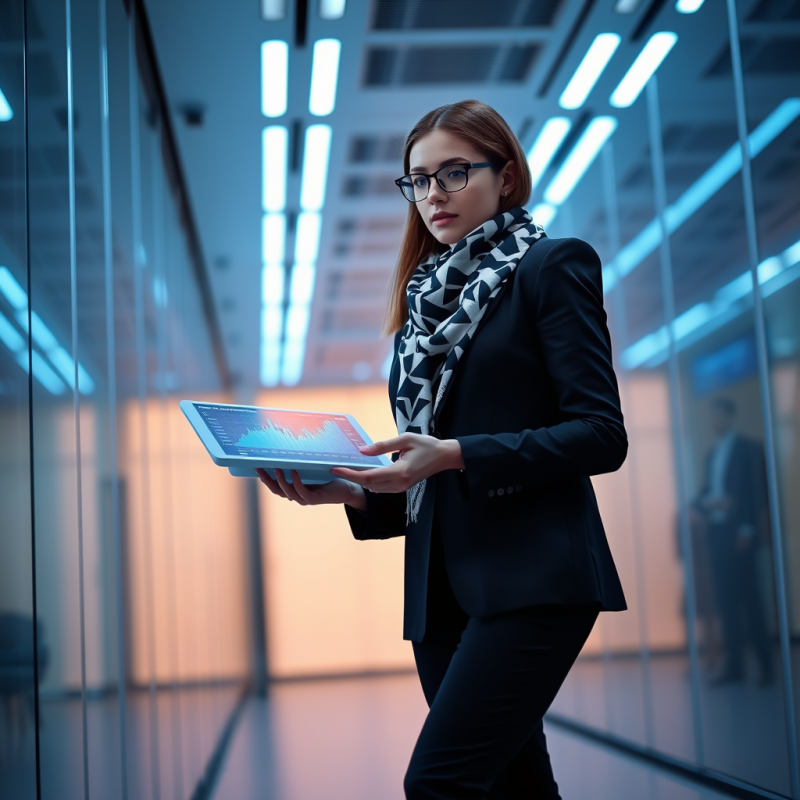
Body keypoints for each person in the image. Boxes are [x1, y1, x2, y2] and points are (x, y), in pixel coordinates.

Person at [257, 99, 628, 799]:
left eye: (453, 173)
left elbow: (601, 435)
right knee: (515, 786)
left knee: (439, 783)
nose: (433, 195)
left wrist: (453, 453)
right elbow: (427, 476)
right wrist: (355, 491)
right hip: (442, 594)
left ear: (507, 177)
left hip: (533, 579)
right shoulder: (420, 306)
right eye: (418, 180)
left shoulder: (551, 267)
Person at [690, 396, 773, 686]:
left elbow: (757, 492)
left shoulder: (750, 449)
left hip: (741, 533)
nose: (714, 422)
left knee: (751, 601)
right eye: (711, 417)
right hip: (717, 535)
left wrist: (747, 527)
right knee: (725, 602)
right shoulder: (712, 454)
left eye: (718, 416)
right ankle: (734, 665)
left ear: (729, 416)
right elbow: (702, 495)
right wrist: (710, 503)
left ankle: (766, 667)